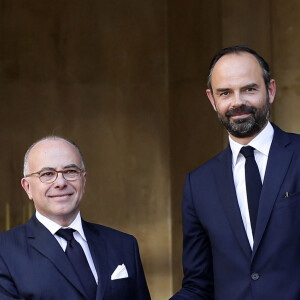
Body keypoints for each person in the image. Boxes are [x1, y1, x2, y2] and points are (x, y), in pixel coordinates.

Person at [170, 46, 300, 299]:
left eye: (249, 89)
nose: (237, 102)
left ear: (270, 90)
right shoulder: (199, 184)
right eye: (225, 93)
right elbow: (199, 285)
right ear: (212, 99)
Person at [0, 136, 151, 300]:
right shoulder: (4, 252)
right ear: (27, 187)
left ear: (83, 180)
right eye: (47, 174)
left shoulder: (124, 245)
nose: (60, 182)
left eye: (70, 172)